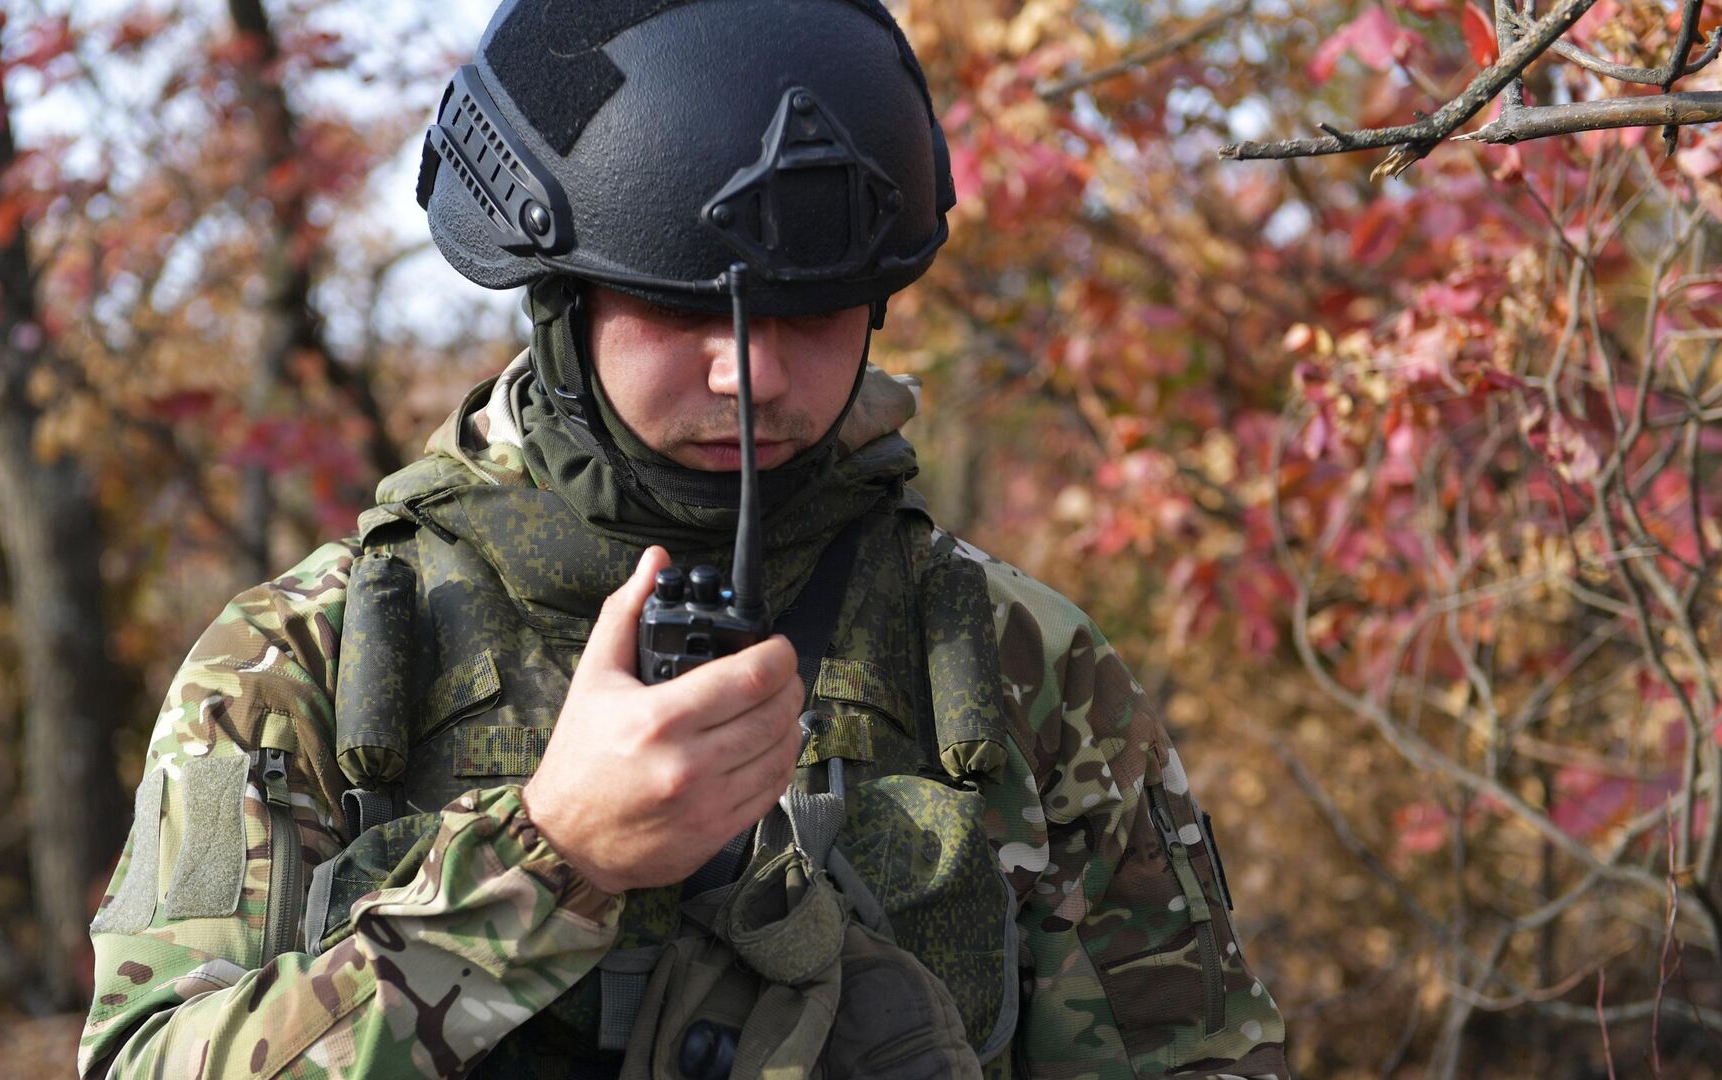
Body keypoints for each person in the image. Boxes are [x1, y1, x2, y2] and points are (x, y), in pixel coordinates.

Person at [78, 1, 1289, 1077]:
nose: (751, 371)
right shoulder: (308, 657)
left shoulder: (1014, 657)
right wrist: (547, 864)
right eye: (679, 303)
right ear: (563, 299)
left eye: (810, 312)